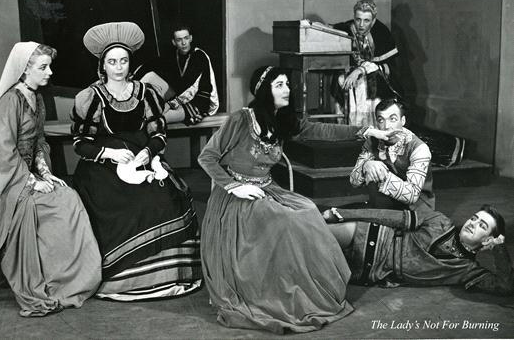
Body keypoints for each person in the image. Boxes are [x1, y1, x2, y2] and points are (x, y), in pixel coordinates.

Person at [198, 65, 393, 334]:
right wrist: (234, 187)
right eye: (279, 85)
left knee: (308, 211)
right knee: (286, 220)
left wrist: (365, 131)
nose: (287, 89)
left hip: (267, 189)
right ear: (264, 90)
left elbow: (321, 131)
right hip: (235, 199)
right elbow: (206, 157)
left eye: (287, 84)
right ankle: (273, 289)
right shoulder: (241, 119)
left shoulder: (283, 120)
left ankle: (309, 288)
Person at [0, 42, 101, 317]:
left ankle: (71, 278)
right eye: (43, 67)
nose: (49, 72)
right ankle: (46, 278)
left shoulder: (36, 99)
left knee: (69, 197)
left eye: (49, 66)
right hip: (5, 181)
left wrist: (47, 173)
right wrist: (32, 182)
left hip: (28, 174)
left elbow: (38, 142)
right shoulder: (10, 100)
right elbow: (2, 152)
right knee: (48, 207)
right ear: (25, 70)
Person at [71, 22, 202, 301]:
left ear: (130, 63)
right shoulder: (91, 98)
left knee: (165, 199)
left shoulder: (146, 93)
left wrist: (150, 152)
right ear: (102, 66)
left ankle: (168, 278)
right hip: (102, 168)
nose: (118, 67)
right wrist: (110, 154)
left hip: (143, 161)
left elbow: (159, 133)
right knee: (128, 205)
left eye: (123, 61)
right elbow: (80, 144)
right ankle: (123, 280)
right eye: (112, 62)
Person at [322, 204, 513, 295]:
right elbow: (391, 216)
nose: (473, 224)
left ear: (488, 239)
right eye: (474, 218)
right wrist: (341, 214)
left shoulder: (468, 270)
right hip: (372, 236)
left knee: (311, 262)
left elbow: (506, 285)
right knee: (315, 233)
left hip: (371, 271)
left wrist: (499, 247)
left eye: (482, 225)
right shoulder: (440, 221)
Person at [350, 98, 434, 209]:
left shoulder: (419, 148)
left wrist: (381, 173)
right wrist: (366, 166)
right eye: (381, 120)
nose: (386, 126)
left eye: (393, 119)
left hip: (416, 212)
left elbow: (412, 196)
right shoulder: (373, 141)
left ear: (402, 121)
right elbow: (354, 182)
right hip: (383, 208)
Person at [332, 0, 401, 126]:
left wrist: (361, 70)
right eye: (358, 19)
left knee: (367, 79)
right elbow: (328, 29)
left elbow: (388, 66)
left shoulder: (381, 33)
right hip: (351, 74)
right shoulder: (348, 29)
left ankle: (369, 127)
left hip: (379, 76)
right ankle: (349, 127)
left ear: (373, 21)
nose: (361, 25)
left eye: (366, 20)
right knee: (342, 78)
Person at [133, 24, 219, 124]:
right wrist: (133, 79)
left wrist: (169, 104)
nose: (183, 43)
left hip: (199, 100)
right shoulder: (174, 54)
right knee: (150, 76)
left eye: (186, 38)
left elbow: (191, 87)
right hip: (178, 95)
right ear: (174, 42)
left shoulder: (199, 56)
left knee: (154, 118)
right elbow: (150, 65)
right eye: (179, 40)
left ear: (190, 38)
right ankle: (132, 104)